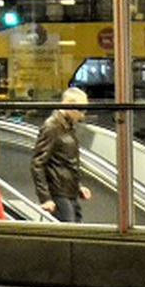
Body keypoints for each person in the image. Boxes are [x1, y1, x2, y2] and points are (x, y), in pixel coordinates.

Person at [32, 86, 93, 222]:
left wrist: (78, 187)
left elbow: (66, 162)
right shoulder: (52, 127)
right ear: (70, 106)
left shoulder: (67, 127)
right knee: (69, 235)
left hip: (68, 192)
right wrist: (45, 198)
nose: (83, 115)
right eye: (81, 109)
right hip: (58, 194)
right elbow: (38, 164)